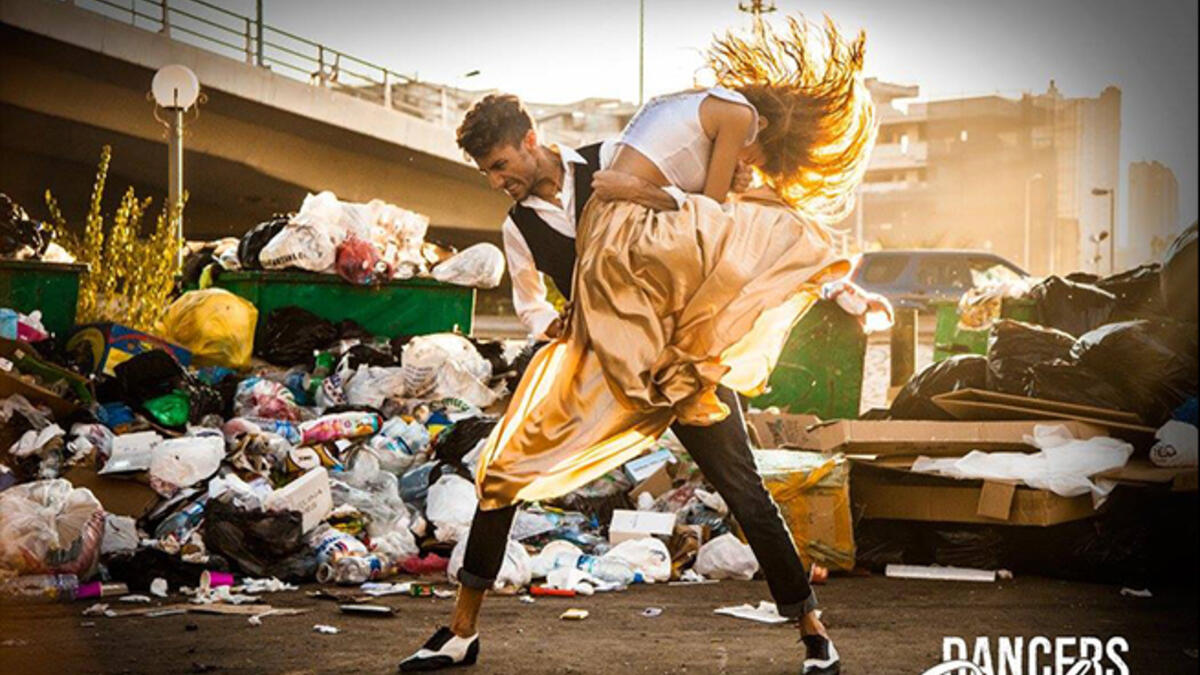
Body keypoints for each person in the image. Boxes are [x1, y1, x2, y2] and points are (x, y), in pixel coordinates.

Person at [401, 15, 886, 675]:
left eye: (501, 165)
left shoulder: (615, 157)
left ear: (530, 141)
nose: (498, 181)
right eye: (489, 173)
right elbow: (530, 306)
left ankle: (815, 636)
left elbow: (709, 226)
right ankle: (460, 632)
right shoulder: (517, 225)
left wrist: (641, 198)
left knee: (744, 490)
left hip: (679, 358)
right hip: (603, 365)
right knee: (504, 470)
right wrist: (560, 322)